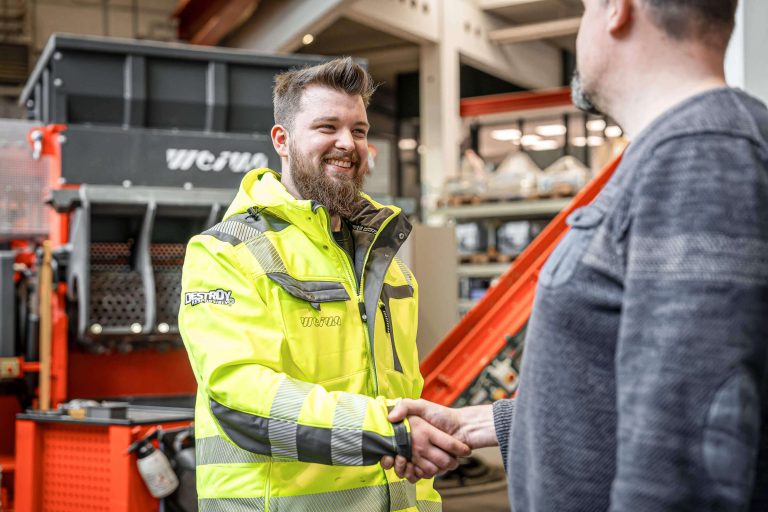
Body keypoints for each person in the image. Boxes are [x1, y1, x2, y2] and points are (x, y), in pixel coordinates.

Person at [383, 0, 768, 510]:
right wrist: (487, 422)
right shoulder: (677, 154)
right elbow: (632, 393)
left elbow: (685, 451)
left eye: (585, 8)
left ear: (617, 10)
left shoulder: (699, 157)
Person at [179, 57, 469, 511]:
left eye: (359, 130)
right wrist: (386, 433)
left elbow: (403, 399)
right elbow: (242, 396)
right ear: (282, 140)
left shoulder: (388, 264)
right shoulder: (226, 252)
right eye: (327, 127)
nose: (346, 143)